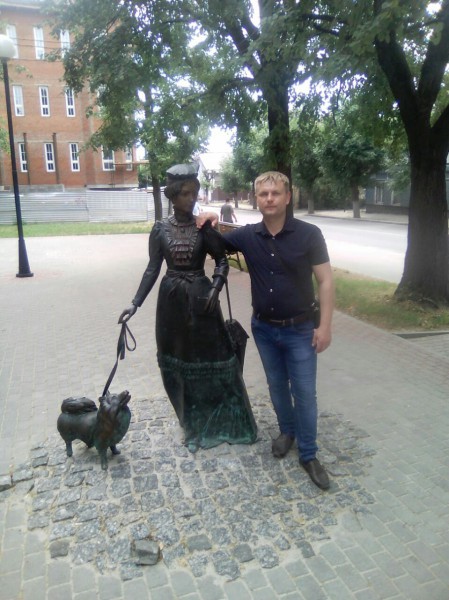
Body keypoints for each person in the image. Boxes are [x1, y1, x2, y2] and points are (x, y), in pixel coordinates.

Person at [198, 171, 334, 489]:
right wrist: (209, 219)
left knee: (305, 394)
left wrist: (325, 326)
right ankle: (287, 431)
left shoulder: (309, 234)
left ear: (287, 197)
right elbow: (216, 245)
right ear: (256, 199)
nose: (269, 199)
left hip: (301, 330)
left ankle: (309, 454)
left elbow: (326, 281)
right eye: (263, 194)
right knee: (276, 386)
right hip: (264, 329)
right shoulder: (247, 236)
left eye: (275, 193)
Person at [119, 163, 257, 453]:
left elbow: (222, 260)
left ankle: (228, 421)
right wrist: (135, 304)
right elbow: (152, 269)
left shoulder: (202, 227)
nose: (191, 199)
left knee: (214, 359)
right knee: (177, 363)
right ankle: (191, 422)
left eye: (194, 193)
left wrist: (215, 288)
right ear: (172, 195)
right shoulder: (160, 229)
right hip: (171, 301)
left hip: (201, 299)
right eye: (185, 193)